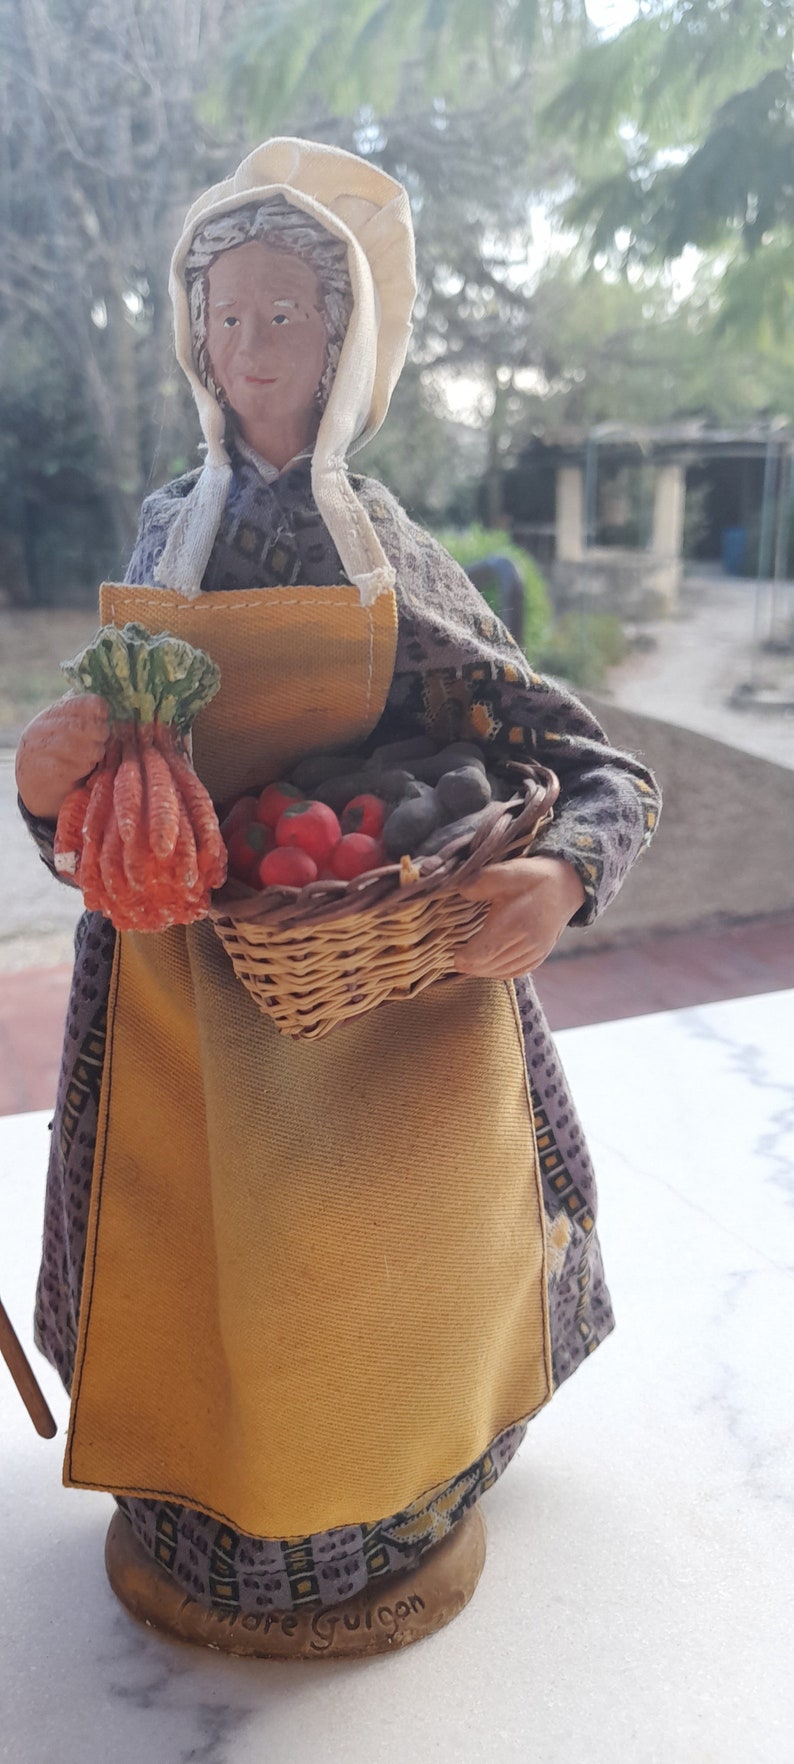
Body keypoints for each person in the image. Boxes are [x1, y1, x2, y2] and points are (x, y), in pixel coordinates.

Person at [16, 138, 660, 1636]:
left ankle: (385, 1507)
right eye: (224, 318)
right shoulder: (163, 523)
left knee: (348, 1285)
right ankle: (191, 1497)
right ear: (192, 334)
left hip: (363, 1002)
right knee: (191, 1269)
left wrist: (558, 877)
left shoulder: (389, 557)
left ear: (341, 341)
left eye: (285, 318)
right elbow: (99, 803)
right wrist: (54, 784)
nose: (250, 350)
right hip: (178, 995)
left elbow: (591, 762)